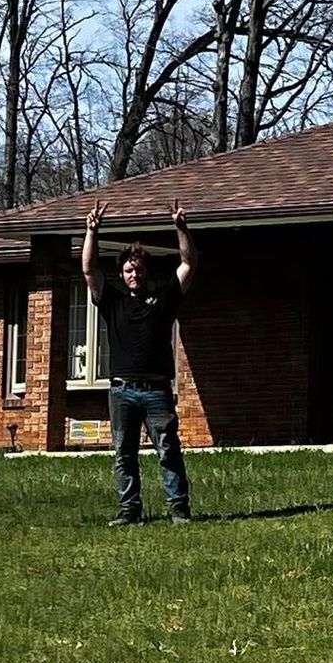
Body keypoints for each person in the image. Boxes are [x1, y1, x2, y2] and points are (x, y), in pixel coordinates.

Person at [83, 198, 198, 526]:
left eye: (139, 269)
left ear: (147, 271)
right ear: (122, 273)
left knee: (167, 449)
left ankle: (179, 509)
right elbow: (89, 269)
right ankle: (129, 511)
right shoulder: (112, 301)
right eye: (128, 270)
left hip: (156, 390)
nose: (134, 274)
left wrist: (181, 227)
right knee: (124, 453)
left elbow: (189, 263)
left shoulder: (163, 298)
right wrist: (92, 231)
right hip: (121, 390)